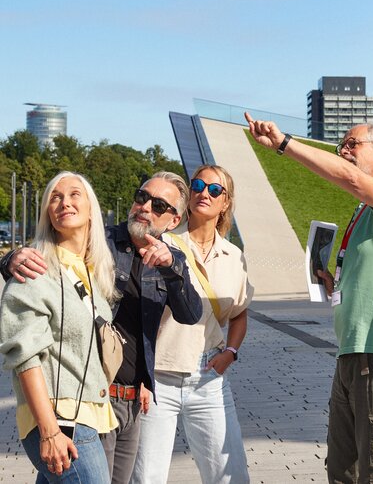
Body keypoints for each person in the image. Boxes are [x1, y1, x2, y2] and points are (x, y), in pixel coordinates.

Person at [245, 113, 373, 483]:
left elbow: (352, 179)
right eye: (340, 145)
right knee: (343, 470)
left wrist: (284, 144)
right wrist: (333, 285)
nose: (343, 150)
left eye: (351, 144)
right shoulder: (362, 213)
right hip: (352, 354)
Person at [1, 172, 203, 484]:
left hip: (132, 399)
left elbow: (190, 314)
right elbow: (49, 253)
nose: (146, 207)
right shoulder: (99, 244)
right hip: (88, 397)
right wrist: (12, 258)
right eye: (142, 197)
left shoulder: (170, 258)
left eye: (159, 205)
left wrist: (172, 268)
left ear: (173, 220)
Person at [131, 164, 253, 484]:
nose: (204, 193)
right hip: (158, 378)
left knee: (231, 475)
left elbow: (240, 313)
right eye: (198, 185)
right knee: (146, 477)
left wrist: (231, 351)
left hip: (209, 379)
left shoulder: (232, 255)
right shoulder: (163, 243)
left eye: (215, 190)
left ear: (225, 203)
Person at [0, 172, 118, 482]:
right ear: (48, 216)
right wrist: (50, 430)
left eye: (74, 194)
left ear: (91, 208)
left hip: (88, 416)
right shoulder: (36, 269)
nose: (65, 201)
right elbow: (25, 355)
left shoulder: (93, 271)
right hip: (60, 421)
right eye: (55, 197)